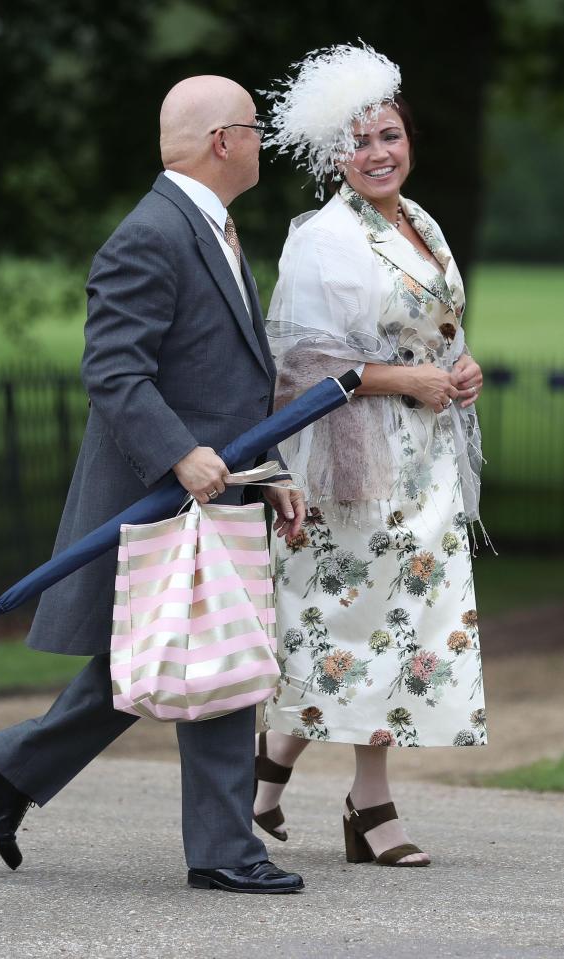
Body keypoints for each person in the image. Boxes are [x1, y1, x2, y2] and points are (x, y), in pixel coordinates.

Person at [0, 75, 306, 895]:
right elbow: (114, 371)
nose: (263, 140)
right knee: (205, 654)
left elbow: (226, 383)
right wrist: (180, 455)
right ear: (222, 140)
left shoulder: (215, 229)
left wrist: (266, 474)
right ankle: (226, 850)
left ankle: (11, 767)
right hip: (166, 495)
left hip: (218, 489)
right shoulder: (151, 234)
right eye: (254, 128)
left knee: (149, 658)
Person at [253, 44, 487, 867]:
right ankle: (369, 803)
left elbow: (435, 328)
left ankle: (268, 770)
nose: (378, 153)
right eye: (358, 143)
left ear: (407, 136)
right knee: (362, 625)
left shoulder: (419, 221)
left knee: (402, 623)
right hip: (355, 465)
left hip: (426, 461)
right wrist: (411, 381)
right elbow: (307, 369)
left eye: (388, 135)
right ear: (332, 156)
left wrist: (458, 371)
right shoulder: (323, 240)